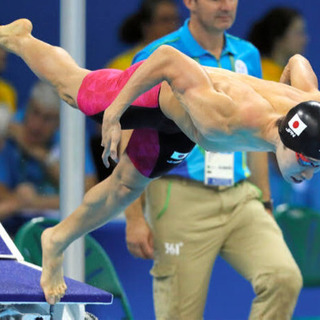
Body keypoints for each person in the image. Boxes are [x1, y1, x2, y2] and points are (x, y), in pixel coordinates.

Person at [2, 19, 320, 312]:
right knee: (72, 88)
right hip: (154, 95)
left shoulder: (309, 103)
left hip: (181, 128)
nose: (308, 174)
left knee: (125, 186)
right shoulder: (225, 113)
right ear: (285, 138)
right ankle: (19, 39)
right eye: (307, 163)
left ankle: (55, 240)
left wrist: (286, 90)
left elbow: (298, 62)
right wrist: (114, 113)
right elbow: (167, 58)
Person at [0, 80, 98, 236]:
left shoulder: (70, 135)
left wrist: (42, 156)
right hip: (13, 229)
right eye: (34, 112)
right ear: (27, 107)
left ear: (60, 122)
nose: (36, 125)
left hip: (61, 229)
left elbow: (88, 193)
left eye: (47, 119)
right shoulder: (9, 131)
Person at [247, 7, 319, 211]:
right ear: (279, 37)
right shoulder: (263, 72)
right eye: (298, 32)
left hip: (288, 165)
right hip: (270, 168)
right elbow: (266, 126)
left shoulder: (289, 75)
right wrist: (281, 167)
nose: (305, 39)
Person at [106, 0, 180, 70]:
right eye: (165, 20)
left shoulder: (184, 60)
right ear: (146, 26)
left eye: (175, 19)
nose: (172, 26)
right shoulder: (122, 66)